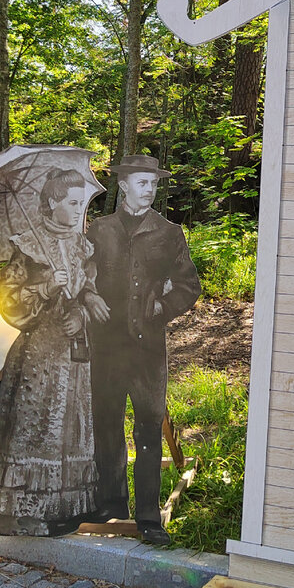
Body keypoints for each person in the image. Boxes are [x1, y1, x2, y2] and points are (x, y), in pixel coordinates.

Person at [0, 168, 109, 536]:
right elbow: (7, 301)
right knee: (36, 431)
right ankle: (22, 514)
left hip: (73, 354)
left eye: (83, 203)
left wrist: (80, 313)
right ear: (51, 202)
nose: (81, 211)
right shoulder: (27, 244)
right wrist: (46, 286)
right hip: (37, 358)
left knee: (69, 432)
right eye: (73, 203)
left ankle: (64, 510)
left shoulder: (83, 246)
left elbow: (89, 290)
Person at [88, 155, 200, 544]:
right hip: (104, 347)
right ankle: (112, 505)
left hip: (148, 349)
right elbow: (80, 278)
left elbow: (189, 286)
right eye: (141, 183)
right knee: (106, 426)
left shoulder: (169, 234)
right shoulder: (98, 231)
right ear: (123, 186)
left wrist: (162, 307)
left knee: (149, 429)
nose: (149, 191)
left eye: (153, 184)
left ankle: (149, 517)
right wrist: (88, 299)